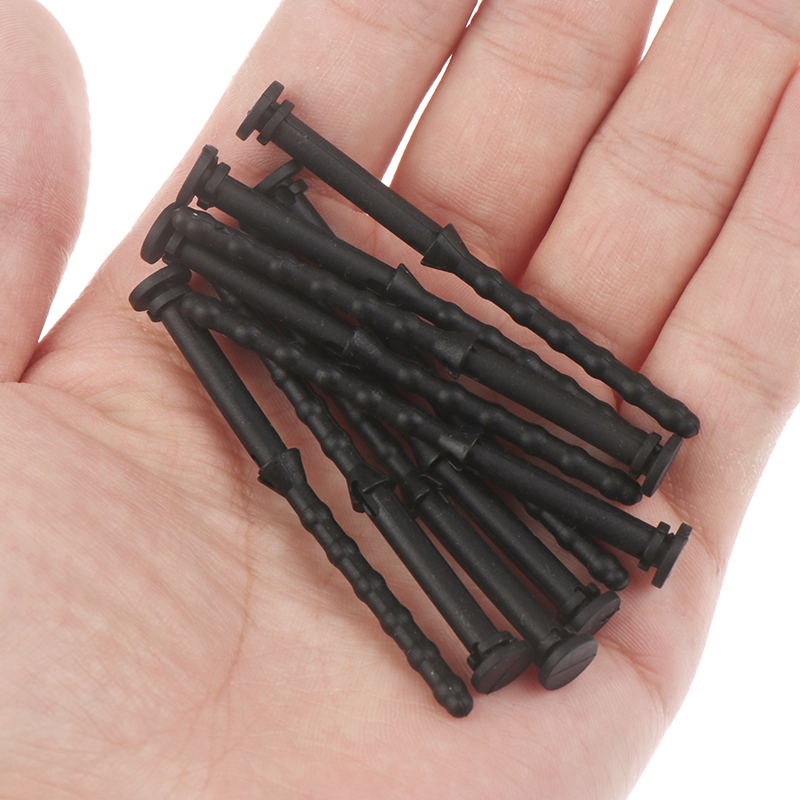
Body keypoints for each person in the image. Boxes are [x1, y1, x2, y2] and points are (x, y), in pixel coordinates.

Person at [2, 0, 799, 796]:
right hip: (412, 403)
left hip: (425, 405)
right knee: (419, 422)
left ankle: (593, 545)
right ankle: (594, 542)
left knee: (424, 413)